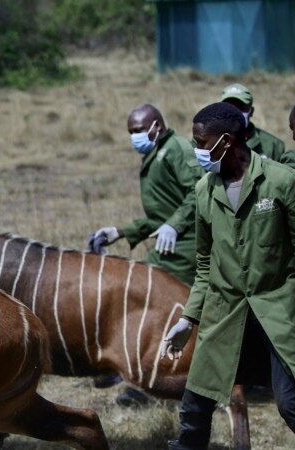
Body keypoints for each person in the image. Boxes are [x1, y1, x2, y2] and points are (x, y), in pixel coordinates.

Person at [164, 102, 295, 450]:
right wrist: (188, 318)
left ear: (226, 141)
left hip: (278, 313)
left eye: (200, 142)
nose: (196, 151)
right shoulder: (204, 191)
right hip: (226, 313)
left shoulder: (281, 182)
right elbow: (205, 263)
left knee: (289, 403)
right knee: (196, 405)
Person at [88, 104, 203, 285]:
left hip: (190, 244)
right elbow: (160, 217)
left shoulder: (176, 148)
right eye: (131, 133)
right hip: (174, 243)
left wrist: (174, 225)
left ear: (157, 126)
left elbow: (199, 191)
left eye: (138, 130)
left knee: (140, 285)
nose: (134, 137)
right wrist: (119, 232)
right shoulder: (156, 155)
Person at [220, 83, 295, 168]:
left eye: (241, 107)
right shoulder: (211, 141)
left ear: (251, 111)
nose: (235, 112)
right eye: (229, 107)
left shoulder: (274, 145)